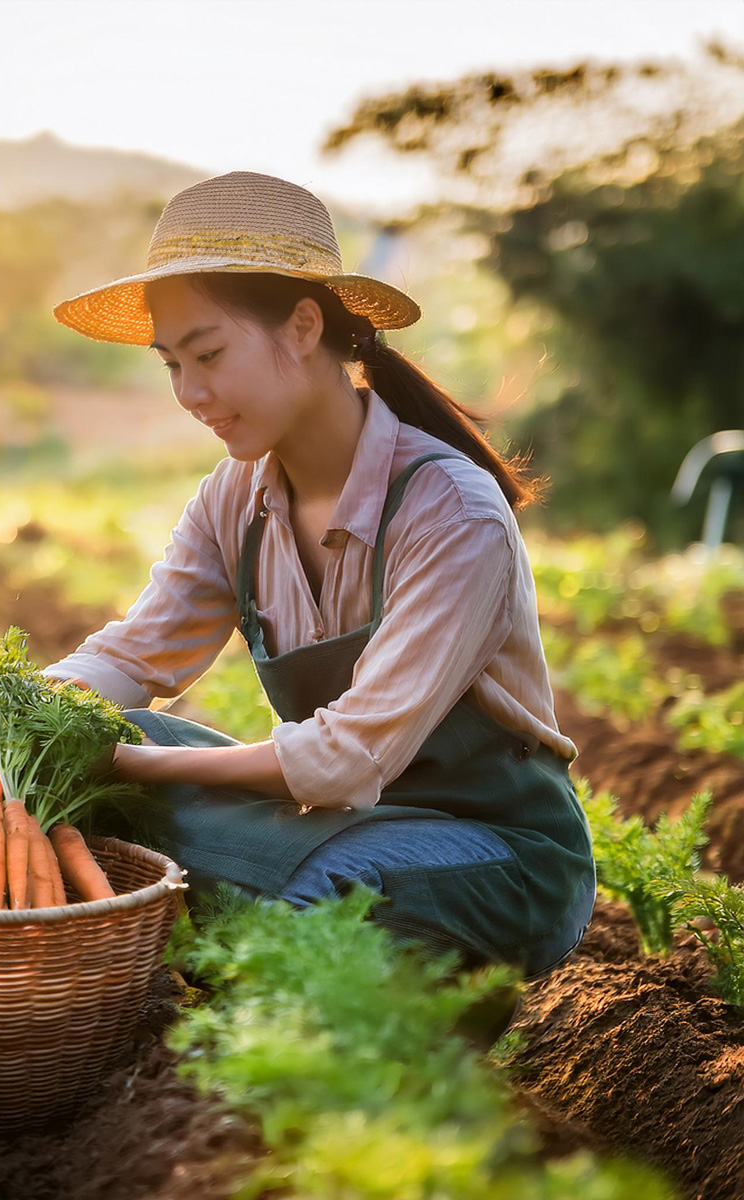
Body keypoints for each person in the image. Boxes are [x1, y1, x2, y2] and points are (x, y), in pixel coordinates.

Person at [42, 170, 596, 980]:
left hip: (497, 855)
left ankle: (388, 997)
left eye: (209, 354)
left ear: (303, 327)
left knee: (321, 891)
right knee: (113, 752)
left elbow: (345, 761)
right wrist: (18, 715)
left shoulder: (451, 511)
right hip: (340, 823)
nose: (191, 393)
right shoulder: (234, 499)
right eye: (172, 365)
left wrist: (121, 763)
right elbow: (132, 655)